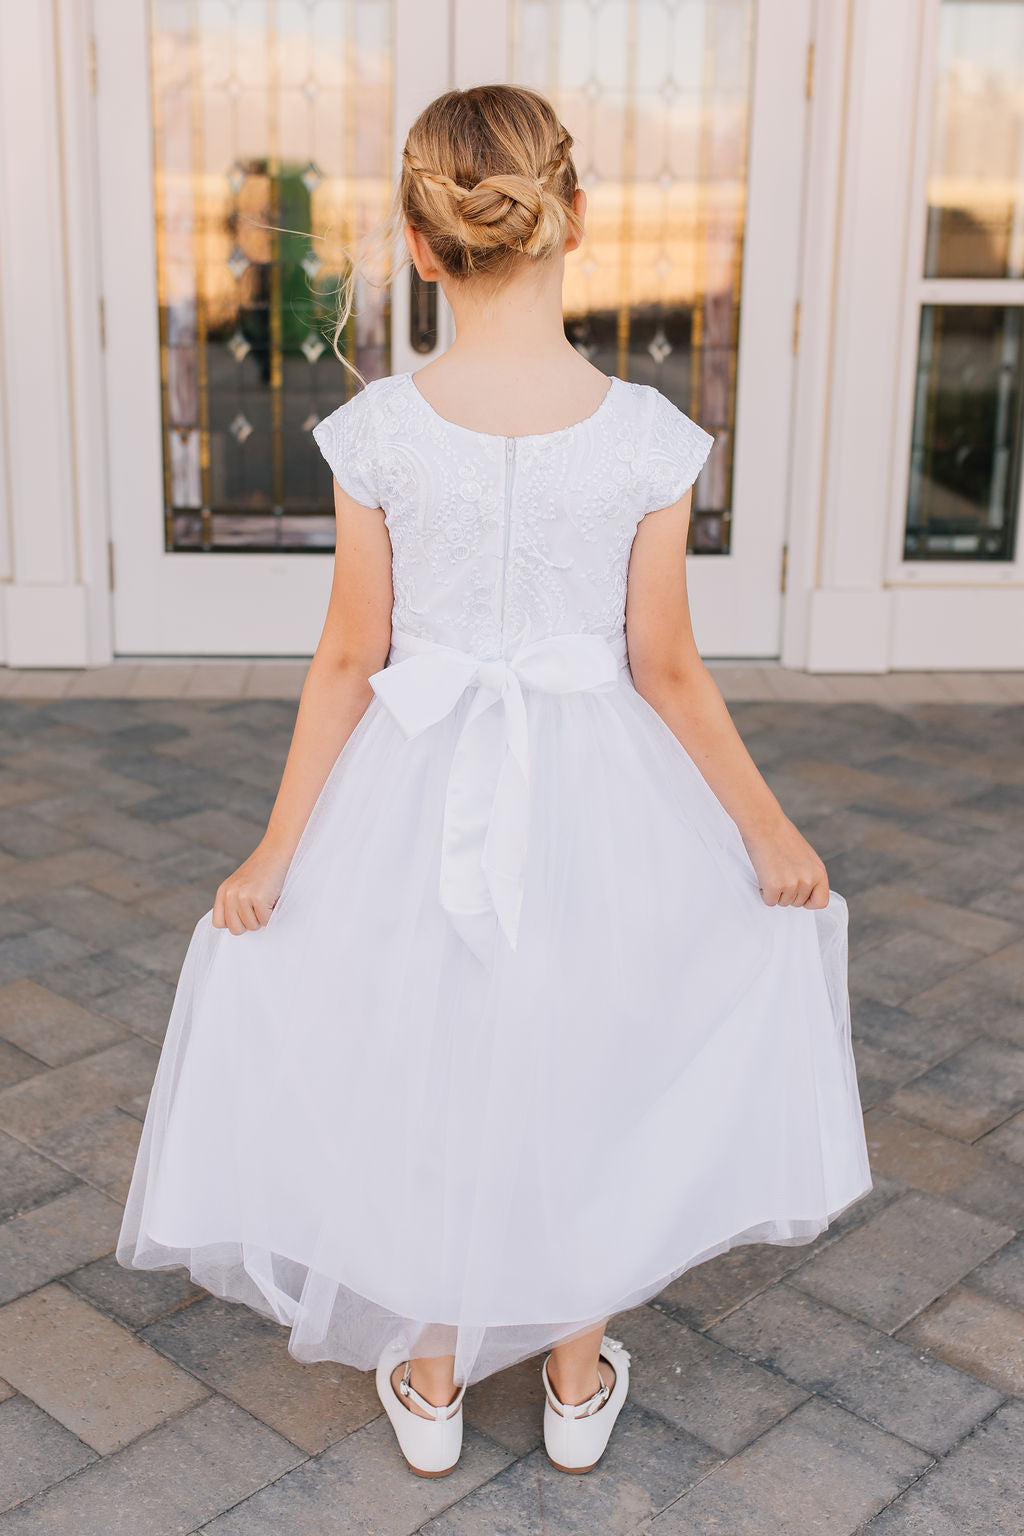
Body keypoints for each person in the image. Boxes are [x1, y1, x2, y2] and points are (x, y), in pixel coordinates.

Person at [117, 83, 872, 1481]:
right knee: (587, 1042)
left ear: (418, 246)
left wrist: (279, 851)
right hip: (601, 792)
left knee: (426, 1043)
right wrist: (770, 832)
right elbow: (668, 669)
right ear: (576, 219)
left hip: (417, 782)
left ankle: (432, 1357)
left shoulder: (383, 432)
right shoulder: (648, 437)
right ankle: (578, 1371)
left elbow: (350, 659)